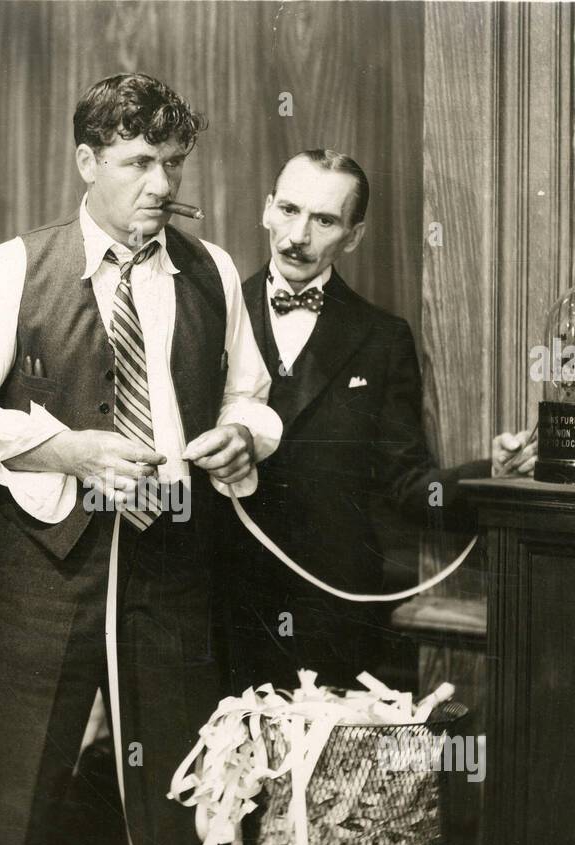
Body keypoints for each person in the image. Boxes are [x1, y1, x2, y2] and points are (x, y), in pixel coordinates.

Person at [0, 72, 282, 845]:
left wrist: (244, 436)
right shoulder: (14, 267)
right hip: (44, 577)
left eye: (171, 162)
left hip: (174, 571)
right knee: (5, 818)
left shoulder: (209, 273)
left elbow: (251, 392)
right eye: (135, 163)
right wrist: (65, 449)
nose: (159, 184)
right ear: (87, 164)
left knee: (178, 814)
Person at [224, 149, 536, 694]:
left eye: (324, 220)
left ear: (354, 234)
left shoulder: (382, 338)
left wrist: (494, 471)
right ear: (267, 209)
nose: (299, 235)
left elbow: (407, 484)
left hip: (333, 610)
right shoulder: (212, 312)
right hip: (221, 599)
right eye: (291, 210)